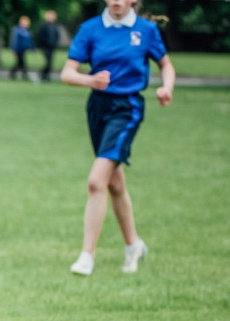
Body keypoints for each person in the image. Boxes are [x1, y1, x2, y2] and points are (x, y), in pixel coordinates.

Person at [61, 0, 175, 276]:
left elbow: (166, 65)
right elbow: (67, 73)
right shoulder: (90, 29)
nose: (116, 1)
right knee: (114, 183)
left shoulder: (146, 30)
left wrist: (166, 87)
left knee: (96, 181)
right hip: (98, 109)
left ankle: (87, 255)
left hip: (128, 109)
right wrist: (91, 81)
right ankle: (133, 245)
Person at [37, 10, 60, 81]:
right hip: (45, 46)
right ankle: (42, 74)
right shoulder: (43, 25)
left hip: (52, 47)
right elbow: (40, 36)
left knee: (50, 62)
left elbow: (57, 36)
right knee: (48, 61)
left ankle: (45, 76)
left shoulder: (55, 26)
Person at [9, 15, 35, 80]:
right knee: (22, 63)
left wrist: (32, 49)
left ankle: (13, 74)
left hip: (23, 49)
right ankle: (24, 75)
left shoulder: (27, 31)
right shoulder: (17, 30)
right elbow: (14, 40)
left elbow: (30, 41)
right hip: (18, 49)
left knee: (19, 63)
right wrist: (14, 50)